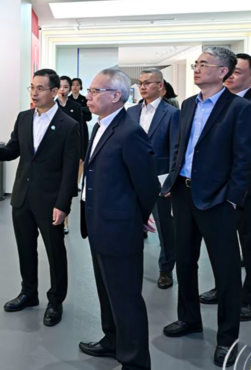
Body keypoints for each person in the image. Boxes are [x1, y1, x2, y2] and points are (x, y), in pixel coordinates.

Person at [160, 47, 251, 368]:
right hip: (183, 193)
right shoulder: (188, 104)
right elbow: (180, 147)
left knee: (226, 270)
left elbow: (245, 158)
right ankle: (189, 318)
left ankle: (227, 338)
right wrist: (171, 181)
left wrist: (232, 198)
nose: (197, 68)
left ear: (223, 71)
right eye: (196, 63)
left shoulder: (241, 108)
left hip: (217, 199)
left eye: (204, 64)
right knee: (185, 260)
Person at [0, 69, 80, 328]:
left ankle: (55, 301)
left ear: (54, 91)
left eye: (40, 88)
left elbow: (70, 170)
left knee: (55, 253)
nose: (34, 93)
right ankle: (28, 293)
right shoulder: (24, 118)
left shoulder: (69, 125)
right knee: (25, 248)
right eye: (32, 87)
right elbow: (14, 148)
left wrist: (63, 204)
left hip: (50, 201)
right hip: (22, 197)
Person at [78, 68, 158, 370]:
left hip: (119, 227)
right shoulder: (100, 126)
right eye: (90, 90)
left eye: (94, 91)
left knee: (125, 298)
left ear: (115, 96)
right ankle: (112, 340)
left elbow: (147, 183)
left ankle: (135, 361)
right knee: (106, 290)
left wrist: (137, 216)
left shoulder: (129, 132)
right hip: (98, 222)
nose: (88, 96)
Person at [198, 53, 251, 321]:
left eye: (237, 71)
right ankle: (224, 288)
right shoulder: (218, 99)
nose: (231, 75)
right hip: (219, 185)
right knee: (222, 242)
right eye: (229, 70)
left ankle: (250, 298)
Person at [127, 69, 179, 290]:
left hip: (160, 177)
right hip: (132, 178)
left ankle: (166, 269)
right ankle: (131, 265)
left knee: (165, 226)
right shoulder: (130, 112)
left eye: (148, 83)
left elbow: (176, 149)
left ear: (161, 86)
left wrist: (171, 181)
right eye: (141, 83)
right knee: (131, 224)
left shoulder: (172, 113)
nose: (143, 86)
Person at [57, 76, 89, 235]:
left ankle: (65, 221)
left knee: (66, 189)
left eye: (65, 87)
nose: (63, 90)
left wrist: (81, 152)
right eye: (60, 86)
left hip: (71, 152)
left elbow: (80, 130)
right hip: (55, 152)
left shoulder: (75, 106)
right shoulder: (52, 105)